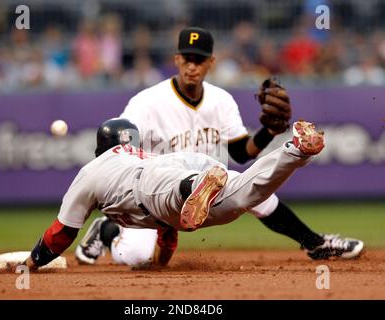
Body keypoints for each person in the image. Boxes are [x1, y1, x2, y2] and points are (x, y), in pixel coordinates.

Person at [75, 27, 363, 267]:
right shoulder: (147, 102)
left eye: (199, 60)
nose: (192, 66)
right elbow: (122, 148)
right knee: (138, 259)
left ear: (211, 62)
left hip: (205, 185)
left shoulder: (221, 100)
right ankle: (108, 230)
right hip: (154, 195)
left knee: (256, 190)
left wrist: (269, 132)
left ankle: (315, 243)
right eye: (187, 58)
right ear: (176, 59)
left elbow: (240, 152)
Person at [22, 117, 333, 270]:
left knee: (171, 191)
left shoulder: (92, 171)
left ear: (99, 146)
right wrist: (160, 264)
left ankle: (195, 186)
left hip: (158, 183)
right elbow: (168, 233)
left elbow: (61, 234)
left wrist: (33, 262)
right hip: (181, 179)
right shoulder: (138, 155)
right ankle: (295, 151)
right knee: (245, 195)